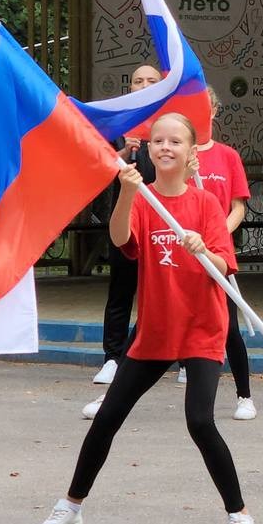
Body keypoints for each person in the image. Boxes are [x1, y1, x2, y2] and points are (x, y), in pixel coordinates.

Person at [34, 112, 258, 524]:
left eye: (175, 141)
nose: (165, 147)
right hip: (154, 331)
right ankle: (71, 508)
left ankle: (240, 516)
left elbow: (223, 264)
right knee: (106, 419)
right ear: (150, 149)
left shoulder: (205, 204)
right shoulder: (143, 199)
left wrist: (200, 248)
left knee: (199, 421)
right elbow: (122, 240)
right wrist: (126, 192)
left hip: (200, 329)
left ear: (191, 152)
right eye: (158, 141)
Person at [86, 65, 160, 410]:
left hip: (163, 221)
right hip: (126, 217)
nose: (144, 85)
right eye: (138, 81)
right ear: (129, 87)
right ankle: (113, 357)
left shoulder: (169, 123)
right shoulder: (118, 123)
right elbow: (99, 168)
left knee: (165, 287)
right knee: (121, 289)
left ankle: (179, 357)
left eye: (152, 81)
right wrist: (124, 152)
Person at [187, 86, 256, 420]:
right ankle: (114, 396)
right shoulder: (181, 155)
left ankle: (245, 395)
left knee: (228, 326)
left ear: (214, 112)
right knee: (153, 322)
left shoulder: (228, 156)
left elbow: (238, 207)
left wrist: (217, 235)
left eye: (206, 108)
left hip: (216, 252)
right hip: (183, 249)